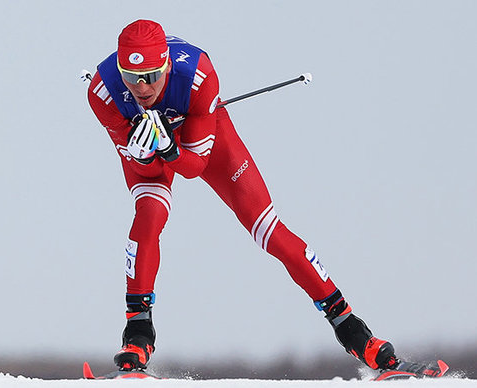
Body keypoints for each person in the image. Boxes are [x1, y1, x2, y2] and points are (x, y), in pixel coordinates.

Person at [86, 19, 398, 372]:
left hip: (199, 137)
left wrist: (170, 149)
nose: (142, 88)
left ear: (167, 65)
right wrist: (143, 152)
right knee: (149, 215)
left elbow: (194, 165)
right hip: (150, 148)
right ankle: (137, 337)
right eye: (132, 77)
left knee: (268, 229)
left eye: (152, 76)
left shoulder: (197, 73)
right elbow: (145, 173)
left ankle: (356, 334)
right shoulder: (103, 90)